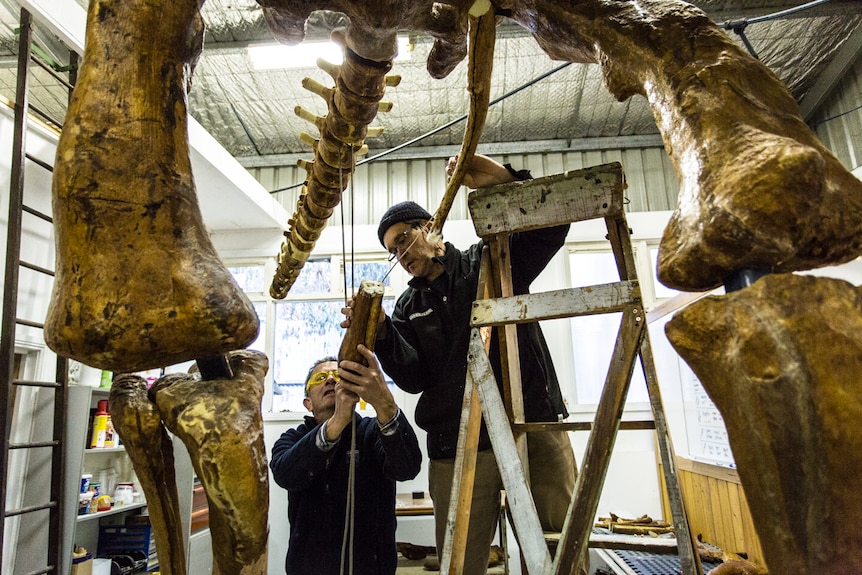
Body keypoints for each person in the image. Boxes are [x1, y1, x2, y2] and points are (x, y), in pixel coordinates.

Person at [343, 154, 583, 575]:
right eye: (391, 249)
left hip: (532, 424)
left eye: (403, 239)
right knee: (461, 562)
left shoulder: (490, 259)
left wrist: (505, 181)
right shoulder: (406, 307)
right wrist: (380, 331)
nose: (400, 254)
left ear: (429, 228)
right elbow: (415, 378)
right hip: (456, 446)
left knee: (557, 551)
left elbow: (550, 229)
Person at [270, 344, 422, 575]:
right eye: (321, 377)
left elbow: (407, 468)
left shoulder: (373, 432)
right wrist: (338, 421)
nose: (331, 380)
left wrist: (384, 402)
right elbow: (286, 474)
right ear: (308, 403)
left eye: (338, 376)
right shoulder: (292, 439)